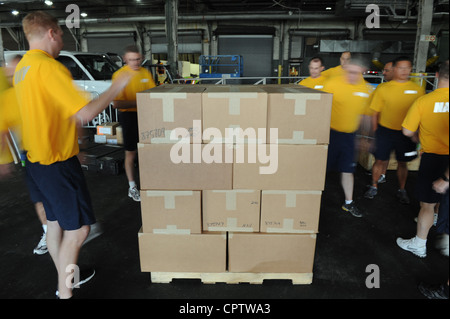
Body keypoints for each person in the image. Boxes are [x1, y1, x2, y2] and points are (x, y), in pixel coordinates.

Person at [14, 11, 132, 299]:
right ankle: (64, 292)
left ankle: (66, 278)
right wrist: (116, 85)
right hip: (56, 162)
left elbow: (52, 114)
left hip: (36, 160)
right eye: (61, 34)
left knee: (54, 225)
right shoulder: (49, 68)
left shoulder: (23, 68)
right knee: (79, 230)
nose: (62, 39)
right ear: (52, 32)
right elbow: (85, 113)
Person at [396, 60, 449, 258]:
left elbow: (407, 130)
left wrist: (418, 136)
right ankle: (436, 220)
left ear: (436, 76)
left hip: (433, 157)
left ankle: (419, 244)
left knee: (426, 204)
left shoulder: (424, 101)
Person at [0, 54, 49, 255]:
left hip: (50, 151)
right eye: (9, 73)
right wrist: (3, 160)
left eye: (15, 72)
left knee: (52, 195)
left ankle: (71, 229)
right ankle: (48, 232)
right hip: (27, 153)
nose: (11, 77)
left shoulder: (39, 91)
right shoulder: (8, 97)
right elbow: (3, 130)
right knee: (38, 196)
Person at [364, 56, 425, 202]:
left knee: (402, 162)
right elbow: (375, 112)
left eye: (408, 68)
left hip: (406, 133)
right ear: (395, 69)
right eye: (401, 67)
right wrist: (375, 132)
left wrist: (418, 134)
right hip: (385, 131)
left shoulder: (417, 90)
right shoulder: (384, 88)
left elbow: (421, 114)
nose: (405, 71)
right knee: (379, 160)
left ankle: (402, 189)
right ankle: (374, 186)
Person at [322, 57, 373, 218]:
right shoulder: (332, 84)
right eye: (349, 71)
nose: (351, 75)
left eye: (356, 72)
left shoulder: (366, 89)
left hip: (350, 136)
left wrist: (365, 137)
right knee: (320, 168)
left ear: (362, 71)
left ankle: (349, 203)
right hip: (329, 134)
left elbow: (366, 116)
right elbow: (320, 107)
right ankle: (309, 198)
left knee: (348, 169)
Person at [112, 45, 156, 202]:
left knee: (147, 151)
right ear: (125, 59)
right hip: (128, 117)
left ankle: (149, 183)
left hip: (145, 115)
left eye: (137, 59)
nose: (135, 62)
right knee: (131, 152)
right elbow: (117, 103)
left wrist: (143, 102)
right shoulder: (119, 75)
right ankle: (132, 187)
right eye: (131, 60)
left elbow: (152, 94)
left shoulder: (145, 73)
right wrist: (140, 100)